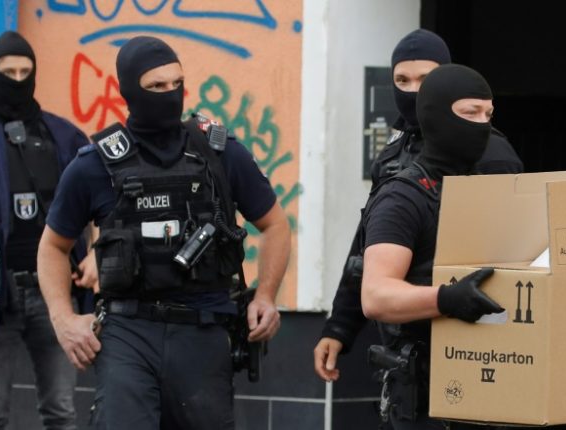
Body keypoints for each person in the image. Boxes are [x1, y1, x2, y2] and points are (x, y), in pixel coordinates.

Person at [37, 36, 291, 429]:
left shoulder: (218, 153)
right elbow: (53, 246)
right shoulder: (95, 166)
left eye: (177, 83)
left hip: (204, 329)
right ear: (128, 90)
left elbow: (275, 225)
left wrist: (267, 296)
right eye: (156, 86)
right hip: (128, 332)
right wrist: (63, 319)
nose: (170, 94)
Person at [314, 29, 522, 383]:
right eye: (402, 80)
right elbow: (369, 245)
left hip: (477, 342)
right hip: (407, 338)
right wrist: (340, 325)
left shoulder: (489, 153)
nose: (412, 91)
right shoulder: (394, 159)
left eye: (424, 80)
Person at [361, 64, 505, 429]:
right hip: (425, 398)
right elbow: (375, 295)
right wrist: (445, 299)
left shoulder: (488, 192)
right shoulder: (402, 198)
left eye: (488, 114)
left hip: (488, 385)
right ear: (437, 116)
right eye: (471, 113)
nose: (483, 125)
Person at [0, 31, 94, 430]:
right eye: (8, 72)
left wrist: (96, 254)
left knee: (61, 411)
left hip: (55, 291)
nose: (18, 80)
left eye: (25, 72)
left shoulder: (63, 136)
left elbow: (103, 201)